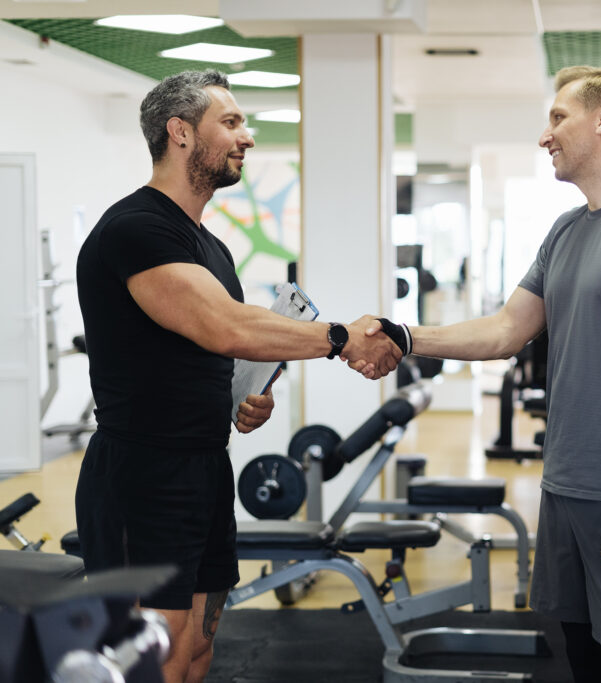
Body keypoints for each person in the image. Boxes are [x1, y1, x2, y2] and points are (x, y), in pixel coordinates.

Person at [357, 66, 601, 682]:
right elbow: (505, 330)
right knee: (580, 659)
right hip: (565, 482)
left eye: (558, 118)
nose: (544, 135)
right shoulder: (566, 231)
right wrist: (407, 335)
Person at [74, 69, 401, 683]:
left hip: (201, 466)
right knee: (155, 660)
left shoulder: (210, 247)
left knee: (197, 651)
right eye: (230, 122)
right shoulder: (137, 229)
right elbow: (224, 326)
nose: (246, 136)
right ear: (179, 133)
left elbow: (215, 350)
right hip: (141, 474)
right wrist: (339, 338)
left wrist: (246, 398)